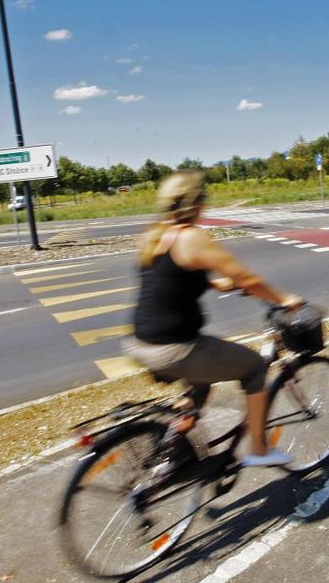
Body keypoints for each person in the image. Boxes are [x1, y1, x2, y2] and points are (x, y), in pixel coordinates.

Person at [123, 171, 302, 467]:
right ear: (196, 203)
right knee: (255, 368)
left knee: (200, 385)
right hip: (175, 348)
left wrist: (215, 284)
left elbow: (169, 277)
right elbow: (246, 277)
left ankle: (173, 451)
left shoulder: (155, 236)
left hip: (140, 343)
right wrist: (284, 299)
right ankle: (259, 449)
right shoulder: (190, 237)